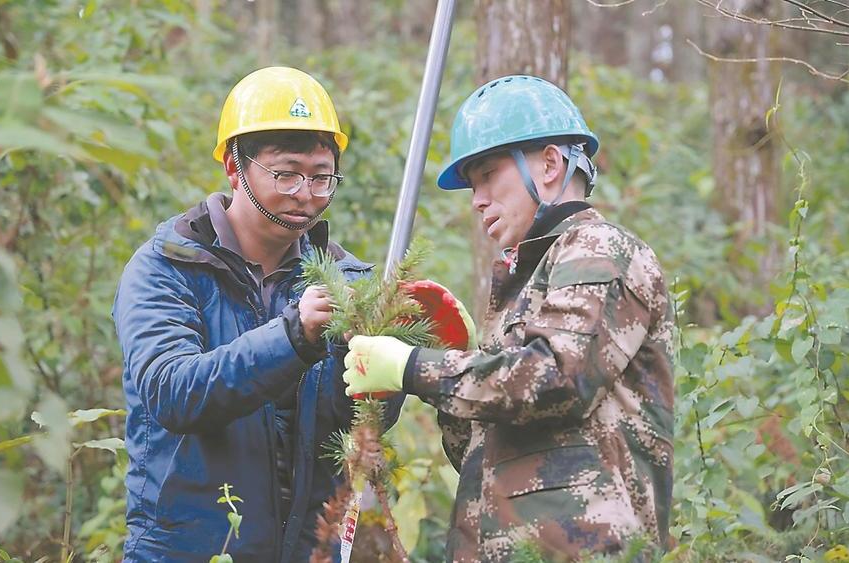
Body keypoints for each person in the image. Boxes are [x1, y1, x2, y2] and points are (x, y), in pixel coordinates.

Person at [342, 75, 675, 561]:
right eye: (472, 185)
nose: (477, 199)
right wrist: (459, 355)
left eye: (488, 174)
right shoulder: (527, 285)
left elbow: (558, 381)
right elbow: (481, 455)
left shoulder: (600, 250)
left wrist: (416, 366)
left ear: (548, 164)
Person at [113, 66, 400, 562]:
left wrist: (395, 357)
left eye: (321, 176)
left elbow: (359, 423)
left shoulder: (346, 280)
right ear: (234, 166)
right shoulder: (166, 268)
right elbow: (173, 393)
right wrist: (293, 336)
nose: (305, 193)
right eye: (285, 173)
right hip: (188, 551)